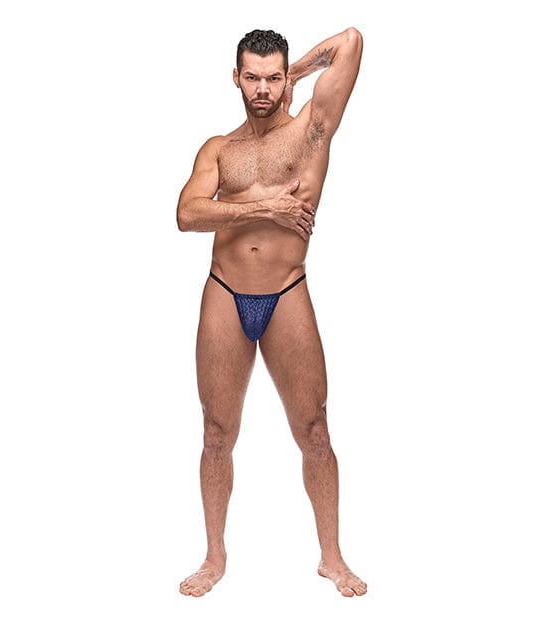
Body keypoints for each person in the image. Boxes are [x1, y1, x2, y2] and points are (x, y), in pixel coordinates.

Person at [176, 27, 365, 597]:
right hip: (224, 291)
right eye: (253, 77)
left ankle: (332, 557)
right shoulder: (218, 149)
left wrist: (299, 73)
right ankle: (214, 557)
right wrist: (263, 207)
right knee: (216, 433)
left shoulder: (310, 131)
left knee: (314, 429)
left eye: (273, 77)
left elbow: (351, 41)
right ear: (236, 78)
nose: (262, 89)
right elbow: (186, 214)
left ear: (284, 79)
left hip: (286, 291)